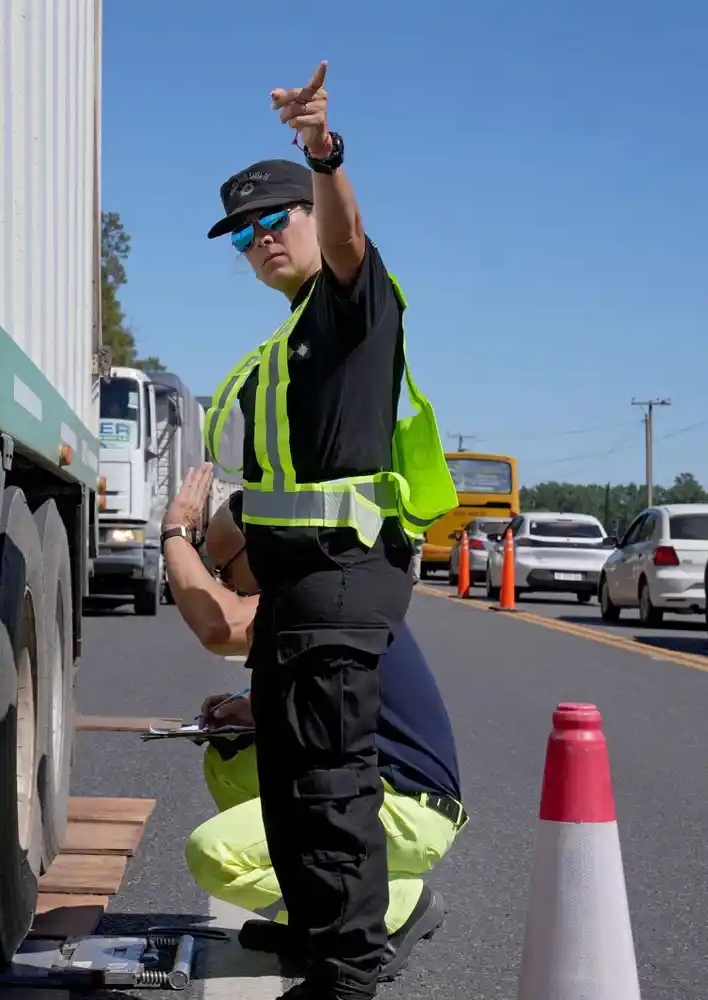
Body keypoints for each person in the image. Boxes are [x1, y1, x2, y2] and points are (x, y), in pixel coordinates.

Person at [194, 62, 458, 998]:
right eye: (245, 234)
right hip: (296, 588)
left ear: (311, 214)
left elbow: (348, 238)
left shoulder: (350, 307)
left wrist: (322, 151)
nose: (262, 239)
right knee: (291, 771)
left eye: (277, 218)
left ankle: (346, 975)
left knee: (331, 785)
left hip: (342, 578)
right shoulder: (285, 337)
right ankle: (316, 935)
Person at [160, 466, 466, 984]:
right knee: (231, 760)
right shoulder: (312, 587)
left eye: (224, 570)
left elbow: (219, 625)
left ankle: (388, 908)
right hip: (372, 784)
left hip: (410, 807)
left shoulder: (318, 590)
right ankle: (311, 918)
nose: (224, 583)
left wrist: (174, 533)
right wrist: (250, 705)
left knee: (213, 856)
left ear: (259, 549)